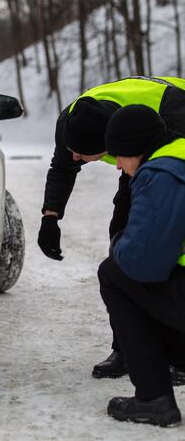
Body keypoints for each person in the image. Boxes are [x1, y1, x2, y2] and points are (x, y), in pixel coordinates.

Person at [38, 76, 185, 382]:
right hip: (142, 156)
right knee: (122, 242)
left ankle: (178, 353)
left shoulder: (172, 112)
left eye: (82, 154)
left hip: (173, 148)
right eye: (72, 149)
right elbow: (62, 168)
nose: (74, 157)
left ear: (113, 146)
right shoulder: (73, 121)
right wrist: (50, 217)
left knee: (166, 248)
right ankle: (128, 350)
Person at [99, 104, 185, 427]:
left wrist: (119, 241)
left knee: (113, 274)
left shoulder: (163, 172)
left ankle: (153, 399)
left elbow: (143, 263)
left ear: (137, 146)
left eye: (120, 154)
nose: (118, 164)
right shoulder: (181, 152)